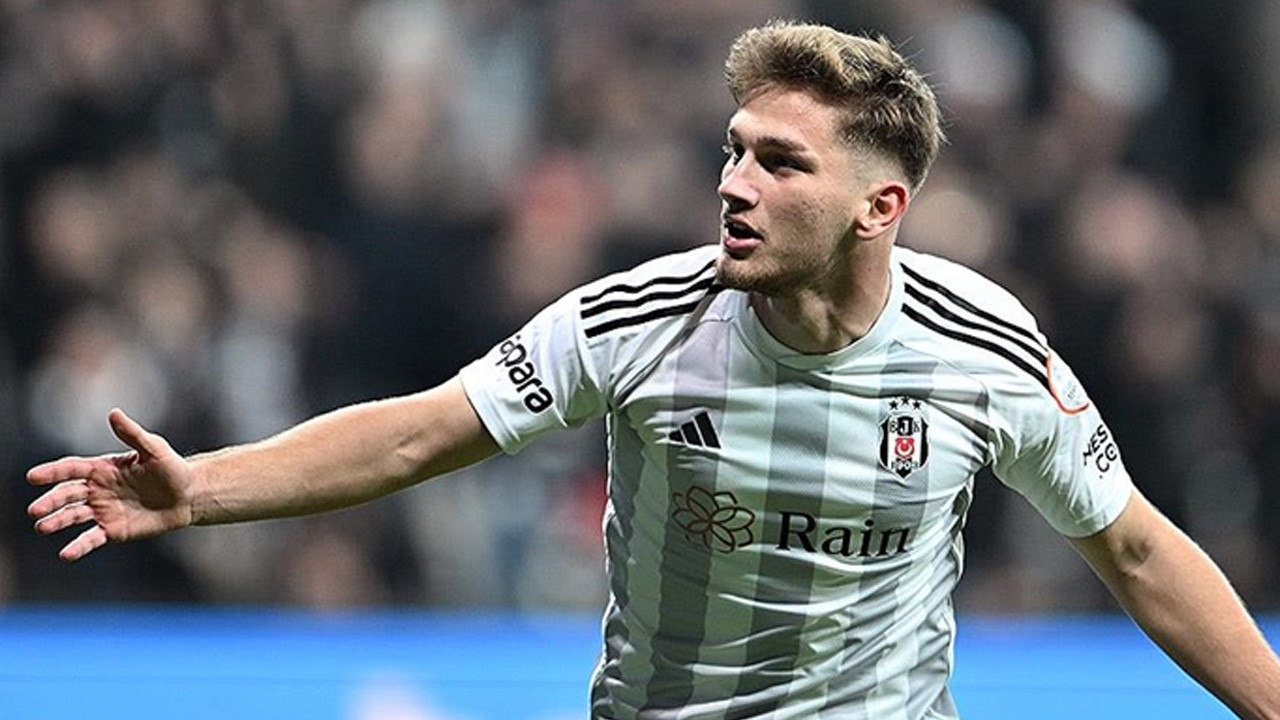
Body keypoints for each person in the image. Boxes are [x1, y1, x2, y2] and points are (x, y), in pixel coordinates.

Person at [25, 20, 1280, 720]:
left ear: (878, 206)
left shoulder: (984, 349)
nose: (734, 184)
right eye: (733, 150)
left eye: (780, 163)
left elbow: (1134, 550)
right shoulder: (640, 320)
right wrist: (206, 488)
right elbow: (418, 432)